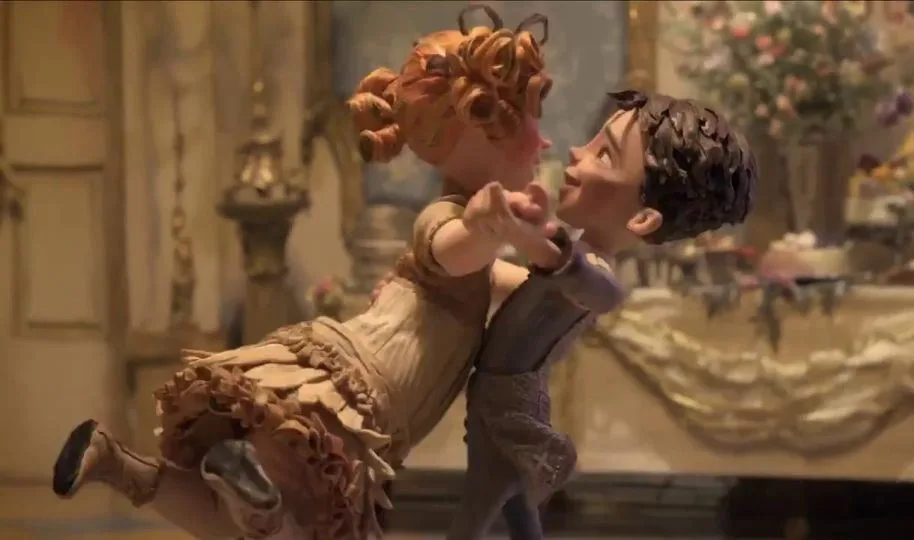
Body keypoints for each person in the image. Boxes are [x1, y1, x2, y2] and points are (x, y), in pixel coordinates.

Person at [50, 6, 559, 540]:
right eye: (534, 121)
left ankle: (119, 465)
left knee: (238, 526)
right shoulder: (448, 221)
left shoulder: (473, 254)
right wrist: (490, 226)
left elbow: (521, 286)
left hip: (371, 405)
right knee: (287, 523)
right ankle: (254, 489)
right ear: (485, 128)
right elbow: (455, 250)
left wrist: (554, 258)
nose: (544, 142)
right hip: (359, 391)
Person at [445, 90, 757, 540]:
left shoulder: (596, 278)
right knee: (512, 503)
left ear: (643, 219)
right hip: (499, 403)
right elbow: (518, 281)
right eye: (593, 142)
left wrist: (525, 235)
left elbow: (584, 280)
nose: (578, 152)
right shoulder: (570, 268)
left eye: (604, 155)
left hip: (506, 411)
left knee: (477, 512)